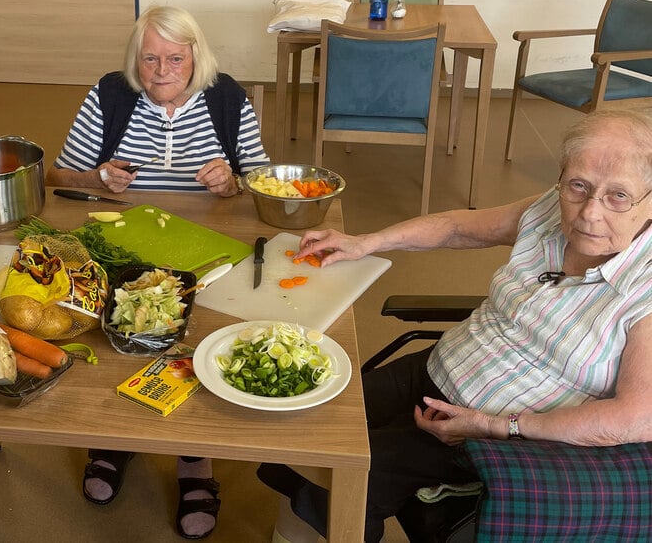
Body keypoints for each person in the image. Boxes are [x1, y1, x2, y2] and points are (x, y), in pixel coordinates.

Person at [259, 109, 652, 543]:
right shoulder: (550, 208)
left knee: (342, 480)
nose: (589, 213)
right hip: (439, 367)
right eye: (578, 186)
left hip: (498, 434)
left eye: (619, 196)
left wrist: (497, 426)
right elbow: (456, 228)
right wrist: (366, 243)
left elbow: (636, 418)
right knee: (298, 417)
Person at [47, 4, 270, 539]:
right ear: (135, 59)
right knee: (112, 335)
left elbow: (263, 181)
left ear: (196, 57)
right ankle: (114, 438)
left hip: (209, 250)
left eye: (175, 58)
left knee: (198, 339)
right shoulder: (111, 94)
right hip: (126, 245)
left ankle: (195, 458)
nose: (162, 70)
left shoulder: (226, 97)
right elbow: (58, 174)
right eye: (150, 58)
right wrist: (100, 177)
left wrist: (232, 184)